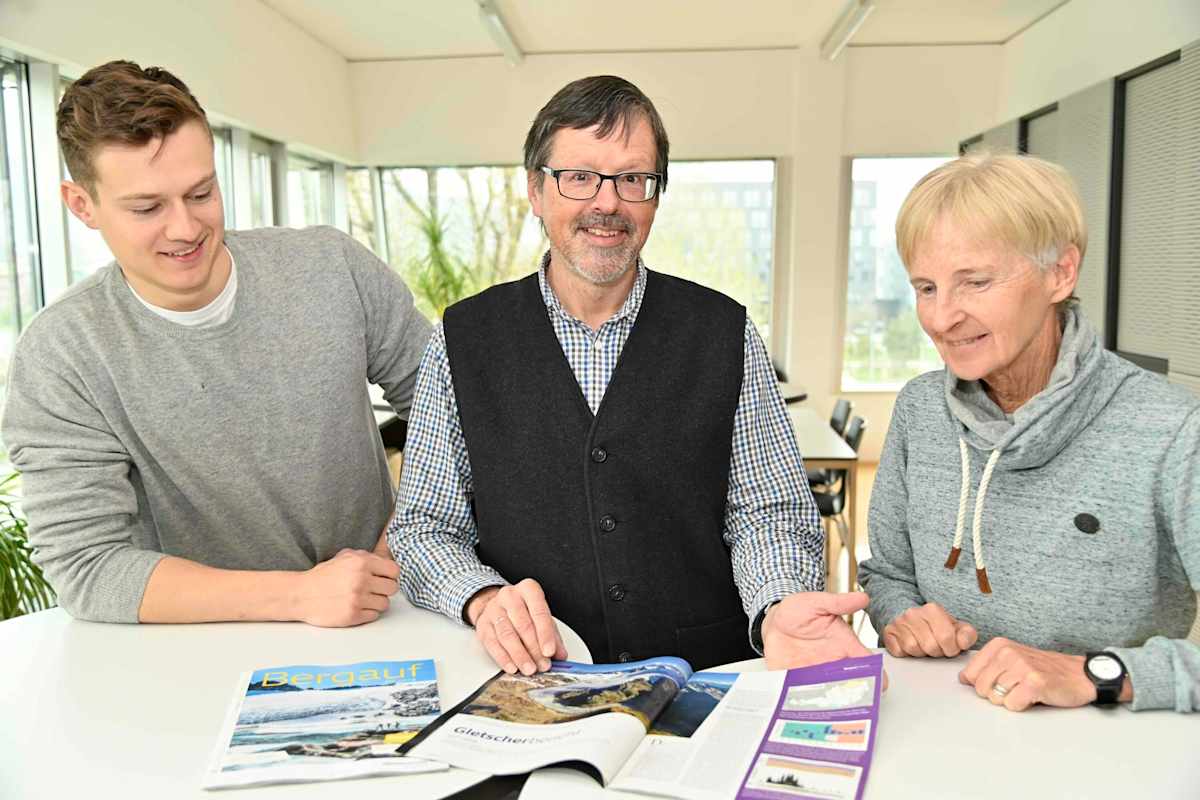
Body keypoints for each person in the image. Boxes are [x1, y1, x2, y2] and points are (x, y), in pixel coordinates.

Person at [388, 75, 870, 674]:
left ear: (656, 196)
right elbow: (424, 527)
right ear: (536, 191)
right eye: (579, 176)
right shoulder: (461, 341)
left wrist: (776, 605)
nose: (607, 203)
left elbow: (769, 510)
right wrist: (483, 599)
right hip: (533, 677)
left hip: (703, 674)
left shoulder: (725, 332)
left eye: (633, 178)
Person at [1, 61, 432, 626]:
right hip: (194, 649)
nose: (185, 228)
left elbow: (461, 420)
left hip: (382, 614)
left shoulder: (333, 267)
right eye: (147, 208)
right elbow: (87, 566)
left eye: (200, 193)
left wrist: (398, 546)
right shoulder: (62, 353)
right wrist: (299, 596)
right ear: (82, 204)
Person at [858, 152, 1199, 712]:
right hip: (939, 732)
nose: (942, 318)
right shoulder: (920, 409)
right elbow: (888, 572)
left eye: (976, 282)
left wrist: (1098, 674)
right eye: (926, 287)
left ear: (1060, 273)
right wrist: (900, 617)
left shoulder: (1170, 430)